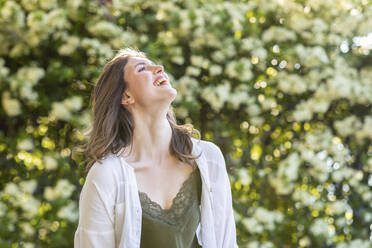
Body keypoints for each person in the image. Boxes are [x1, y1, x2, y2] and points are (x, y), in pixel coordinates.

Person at [73, 47, 238, 247]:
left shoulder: (208, 158)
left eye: (155, 65)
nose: (159, 68)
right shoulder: (106, 175)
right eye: (143, 68)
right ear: (126, 96)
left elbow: (226, 242)